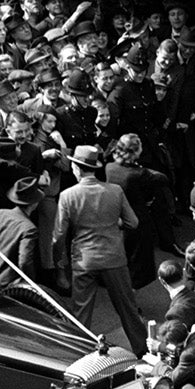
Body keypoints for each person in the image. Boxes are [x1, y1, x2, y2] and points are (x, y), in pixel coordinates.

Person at [54, 145, 144, 352]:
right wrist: (113, 224)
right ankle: (143, 351)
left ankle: (77, 353)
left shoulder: (68, 195)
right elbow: (133, 223)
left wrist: (60, 264)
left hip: (83, 260)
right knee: (127, 309)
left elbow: (58, 235)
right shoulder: (115, 191)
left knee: (81, 314)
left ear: (77, 168)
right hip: (114, 257)